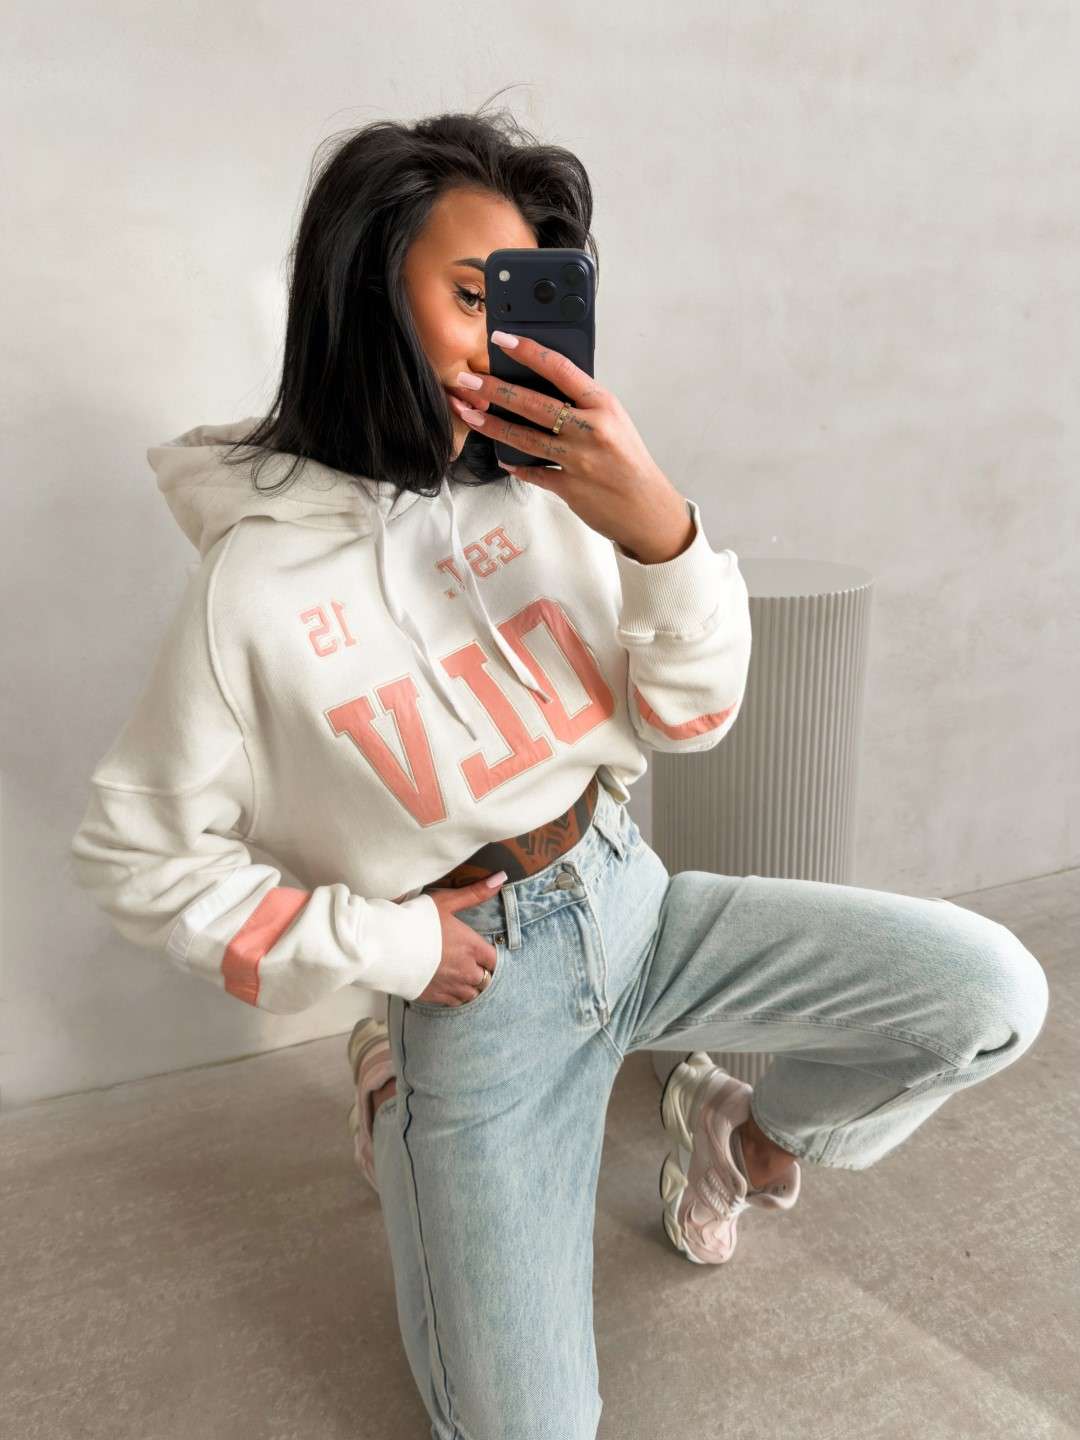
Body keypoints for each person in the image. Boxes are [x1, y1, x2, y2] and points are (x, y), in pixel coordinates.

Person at [70, 103, 1050, 1440]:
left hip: (632, 898)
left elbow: (694, 720)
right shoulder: (254, 585)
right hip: (479, 993)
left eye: (525, 298)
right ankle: (397, 1098)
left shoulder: (554, 491)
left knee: (991, 994)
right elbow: (135, 857)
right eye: (471, 296)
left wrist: (659, 530)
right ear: (367, 290)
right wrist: (385, 946)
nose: (503, 338)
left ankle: (741, 1139)